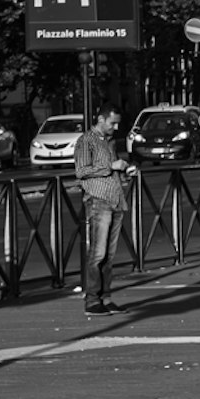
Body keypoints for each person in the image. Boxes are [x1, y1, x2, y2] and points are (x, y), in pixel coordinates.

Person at [72, 109, 131, 313]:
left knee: (109, 255)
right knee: (98, 253)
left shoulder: (110, 142)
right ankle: (92, 300)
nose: (115, 128)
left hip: (115, 200)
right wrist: (110, 166)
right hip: (98, 200)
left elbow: (113, 170)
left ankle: (106, 298)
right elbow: (81, 171)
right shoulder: (86, 141)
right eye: (112, 123)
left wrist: (125, 172)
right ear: (101, 119)